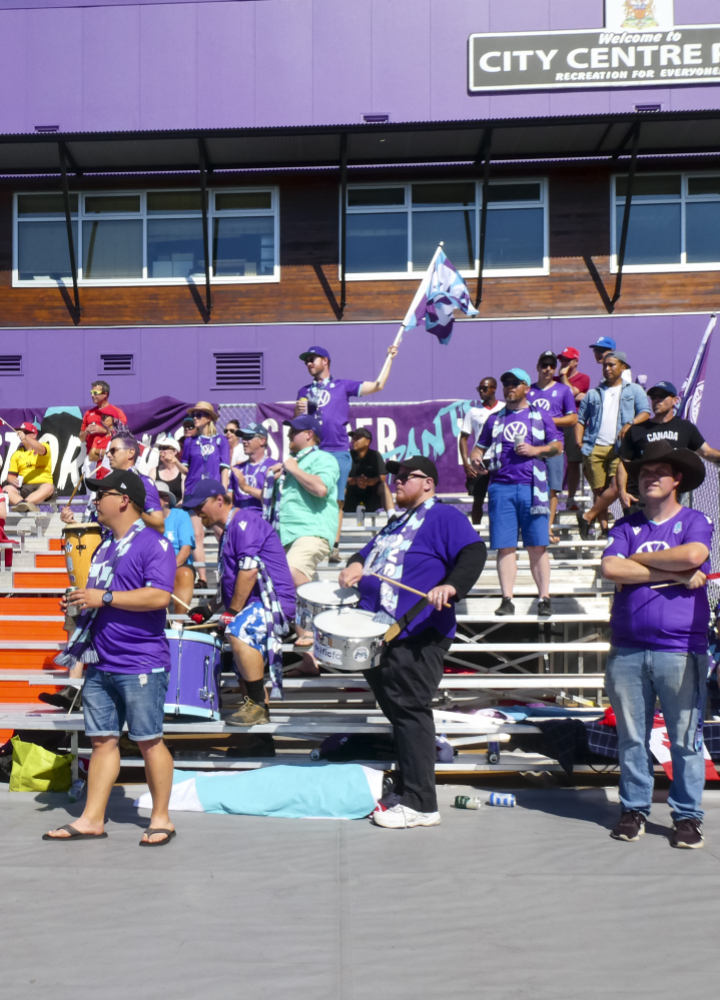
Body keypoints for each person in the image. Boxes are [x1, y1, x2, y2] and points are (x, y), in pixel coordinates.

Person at [339, 456, 486, 829]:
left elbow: (474, 552)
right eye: (396, 476)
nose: (398, 481)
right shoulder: (396, 522)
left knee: (410, 711)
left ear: (429, 484)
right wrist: (356, 562)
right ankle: (408, 790)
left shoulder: (444, 516)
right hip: (381, 633)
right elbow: (368, 552)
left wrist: (451, 585)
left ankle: (422, 804)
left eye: (407, 477)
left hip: (418, 631)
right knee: (400, 715)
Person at [43, 468, 177, 845]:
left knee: (149, 739)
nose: (95, 499)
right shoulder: (104, 545)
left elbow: (159, 597)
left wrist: (102, 597)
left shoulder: (154, 544)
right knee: (102, 741)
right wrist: (79, 600)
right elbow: (100, 596)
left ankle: (162, 818)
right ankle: (91, 819)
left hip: (140, 660)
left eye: (101, 493)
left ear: (124, 500)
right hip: (102, 659)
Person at [601, 442, 712, 849]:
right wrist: (679, 573)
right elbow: (611, 566)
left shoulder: (695, 520)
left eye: (659, 471)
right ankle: (634, 809)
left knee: (685, 739)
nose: (649, 477)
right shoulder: (626, 525)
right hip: (627, 648)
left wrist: (644, 565)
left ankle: (687, 817)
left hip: (681, 649)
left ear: (677, 479)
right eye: (644, 471)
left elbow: (696, 552)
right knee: (632, 736)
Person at [182, 480, 296, 726]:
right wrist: (210, 609)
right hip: (253, 605)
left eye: (200, 506)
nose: (197, 513)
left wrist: (230, 614)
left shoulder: (244, 523)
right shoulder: (229, 532)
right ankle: (261, 740)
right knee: (240, 666)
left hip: (272, 604)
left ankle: (257, 706)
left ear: (220, 500)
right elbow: (230, 583)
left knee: (237, 629)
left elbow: (248, 572)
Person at [295, 343, 399, 563]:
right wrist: (299, 412)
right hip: (313, 450)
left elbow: (377, 385)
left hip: (338, 451)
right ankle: (311, 542)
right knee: (309, 496)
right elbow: (297, 421)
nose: (309, 363)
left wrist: (389, 358)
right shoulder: (304, 391)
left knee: (337, 500)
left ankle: (334, 546)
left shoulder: (342, 386)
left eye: (313, 358)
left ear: (326, 361)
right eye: (306, 360)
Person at [475, 368, 563, 618]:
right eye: (506, 383)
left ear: (527, 388)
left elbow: (558, 446)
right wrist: (475, 458)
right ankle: (507, 599)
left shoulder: (541, 415)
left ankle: (544, 598)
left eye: (515, 383)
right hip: (501, 487)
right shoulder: (494, 418)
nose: (509, 386)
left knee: (537, 547)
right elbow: (478, 448)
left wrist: (536, 451)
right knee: (505, 548)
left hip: (532, 488)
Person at [579, 380, 720, 533]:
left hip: (668, 496)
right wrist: (622, 492)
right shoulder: (637, 430)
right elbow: (623, 463)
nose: (656, 400)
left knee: (664, 536)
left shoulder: (685, 428)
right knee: (637, 537)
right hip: (638, 495)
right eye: (653, 397)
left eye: (662, 396)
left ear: (675, 400)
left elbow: (706, 452)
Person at [265, 415, 339, 649]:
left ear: (309, 434)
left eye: (295, 431)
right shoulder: (289, 465)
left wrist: (293, 468)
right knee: (295, 587)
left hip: (312, 532)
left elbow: (320, 488)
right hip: (285, 536)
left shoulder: (323, 458)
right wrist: (271, 479)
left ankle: (325, 623)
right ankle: (311, 658)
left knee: (289, 575)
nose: (289, 435)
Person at [576, 351, 650, 535]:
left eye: (612, 365)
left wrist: (630, 423)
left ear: (623, 367)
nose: (607, 369)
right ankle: (603, 527)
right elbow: (580, 419)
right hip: (595, 446)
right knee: (599, 491)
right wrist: (579, 443)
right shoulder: (594, 393)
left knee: (617, 487)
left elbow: (645, 413)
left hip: (620, 448)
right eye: (605, 365)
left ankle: (587, 516)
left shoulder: (634, 390)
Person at [61, 432, 163, 533]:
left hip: (127, 546)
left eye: (113, 450)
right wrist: (73, 524)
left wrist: (132, 511)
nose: (108, 455)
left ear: (130, 453)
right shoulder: (104, 484)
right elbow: (96, 533)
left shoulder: (144, 482)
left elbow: (159, 526)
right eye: (108, 451)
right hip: (106, 546)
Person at [177, 401, 230, 588]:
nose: (195, 418)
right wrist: (174, 463)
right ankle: (203, 579)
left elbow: (225, 468)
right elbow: (186, 469)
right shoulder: (190, 441)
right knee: (196, 535)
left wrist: (223, 489)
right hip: (193, 492)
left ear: (209, 418)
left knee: (222, 533)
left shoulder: (221, 440)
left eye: (200, 415)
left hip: (213, 492)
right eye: (195, 414)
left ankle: (227, 571)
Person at [527, 351, 578, 543]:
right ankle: (530, 528)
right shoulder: (528, 391)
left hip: (554, 445)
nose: (548, 369)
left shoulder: (563, 391)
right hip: (530, 448)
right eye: (544, 365)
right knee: (530, 488)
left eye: (551, 366)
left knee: (552, 489)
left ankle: (547, 529)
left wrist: (548, 421)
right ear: (537, 366)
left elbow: (573, 418)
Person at [459, 377, 504, 526]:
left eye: (485, 388)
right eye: (480, 389)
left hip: (500, 459)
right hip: (480, 460)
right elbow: (463, 438)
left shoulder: (505, 408)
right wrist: (466, 463)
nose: (482, 392)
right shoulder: (473, 411)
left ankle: (500, 532)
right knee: (478, 499)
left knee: (499, 498)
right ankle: (476, 536)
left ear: (494, 388)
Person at [554, 347, 591, 509]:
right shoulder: (553, 380)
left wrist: (563, 377)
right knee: (552, 460)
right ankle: (550, 496)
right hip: (555, 422)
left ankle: (571, 498)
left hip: (573, 423)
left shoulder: (583, 378)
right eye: (562, 359)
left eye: (567, 360)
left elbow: (568, 393)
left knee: (574, 461)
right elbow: (569, 395)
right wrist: (574, 395)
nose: (563, 363)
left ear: (575, 361)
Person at [157, 480, 195, 614]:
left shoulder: (181, 515)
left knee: (184, 574)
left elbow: (185, 550)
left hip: (179, 565)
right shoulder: (144, 519)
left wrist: (167, 569)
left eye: (154, 496)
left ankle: (179, 622)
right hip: (153, 566)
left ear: (166, 499)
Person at [2, 422, 55, 512]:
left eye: (26, 433)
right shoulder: (17, 454)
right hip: (24, 487)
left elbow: (41, 450)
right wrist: (13, 480)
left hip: (42, 485)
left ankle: (25, 504)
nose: (22, 436)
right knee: (6, 489)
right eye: (21, 433)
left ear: (34, 435)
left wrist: (26, 438)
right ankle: (23, 504)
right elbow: (11, 475)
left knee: (49, 487)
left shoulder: (44, 446)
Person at [344, 428, 389, 514]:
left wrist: (368, 482)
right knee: (340, 485)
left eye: (357, 438)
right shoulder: (347, 456)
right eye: (353, 438)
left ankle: (391, 516)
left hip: (371, 499)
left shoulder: (375, 455)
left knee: (382, 485)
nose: (353, 441)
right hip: (351, 499)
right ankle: (335, 514)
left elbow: (382, 477)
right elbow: (340, 478)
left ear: (367, 442)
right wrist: (355, 480)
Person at [231, 423, 275, 512]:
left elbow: (273, 500)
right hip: (238, 520)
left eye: (248, 437)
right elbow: (229, 500)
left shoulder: (274, 467)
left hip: (261, 521)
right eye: (243, 437)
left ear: (262, 440)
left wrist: (245, 487)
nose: (243, 441)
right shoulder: (237, 469)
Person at [79, 381, 128, 457]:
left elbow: (123, 434)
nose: (92, 395)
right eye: (91, 392)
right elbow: (81, 438)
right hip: (91, 457)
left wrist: (104, 431)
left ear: (105, 394)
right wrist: (86, 432)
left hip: (110, 456)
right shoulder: (88, 413)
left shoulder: (117, 412)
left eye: (95, 393)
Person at [151, 434, 185, 505]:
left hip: (178, 511)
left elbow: (184, 498)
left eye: (165, 448)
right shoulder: (153, 471)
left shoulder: (182, 472)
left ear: (175, 451)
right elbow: (150, 495)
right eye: (160, 448)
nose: (161, 451)